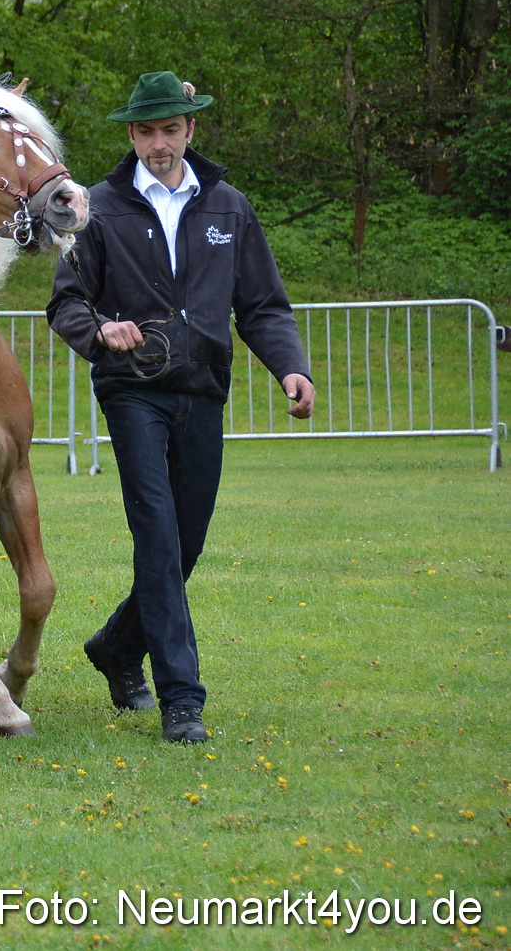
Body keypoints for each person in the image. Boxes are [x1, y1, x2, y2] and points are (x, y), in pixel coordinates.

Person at [48, 71, 315, 744]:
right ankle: (182, 698)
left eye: (170, 129)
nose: (158, 143)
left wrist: (290, 366)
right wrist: (98, 332)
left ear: (191, 130)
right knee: (158, 537)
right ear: (131, 134)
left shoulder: (229, 206)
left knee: (184, 542)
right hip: (131, 390)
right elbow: (66, 302)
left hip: (203, 390)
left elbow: (262, 304)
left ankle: (116, 644)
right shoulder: (97, 207)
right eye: (146, 131)